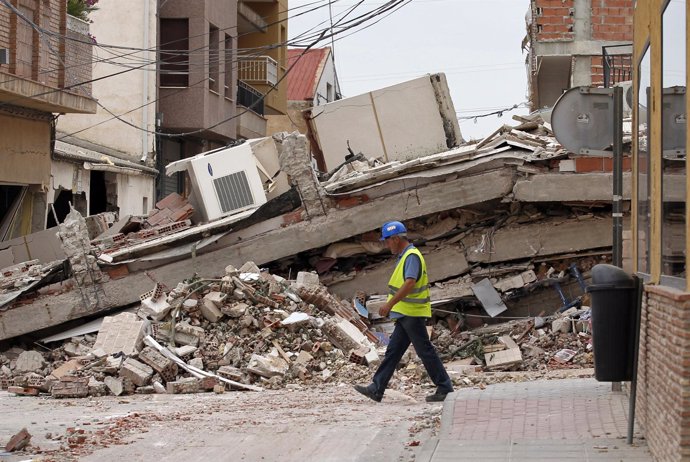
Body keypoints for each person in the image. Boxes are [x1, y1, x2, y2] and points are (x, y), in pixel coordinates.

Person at [354, 220, 454, 403]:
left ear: (396, 238)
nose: (386, 245)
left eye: (387, 241)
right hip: (405, 314)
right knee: (394, 351)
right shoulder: (406, 256)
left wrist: (389, 304)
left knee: (424, 351)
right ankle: (377, 388)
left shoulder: (411, 256)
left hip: (411, 313)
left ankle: (445, 387)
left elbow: (410, 282)